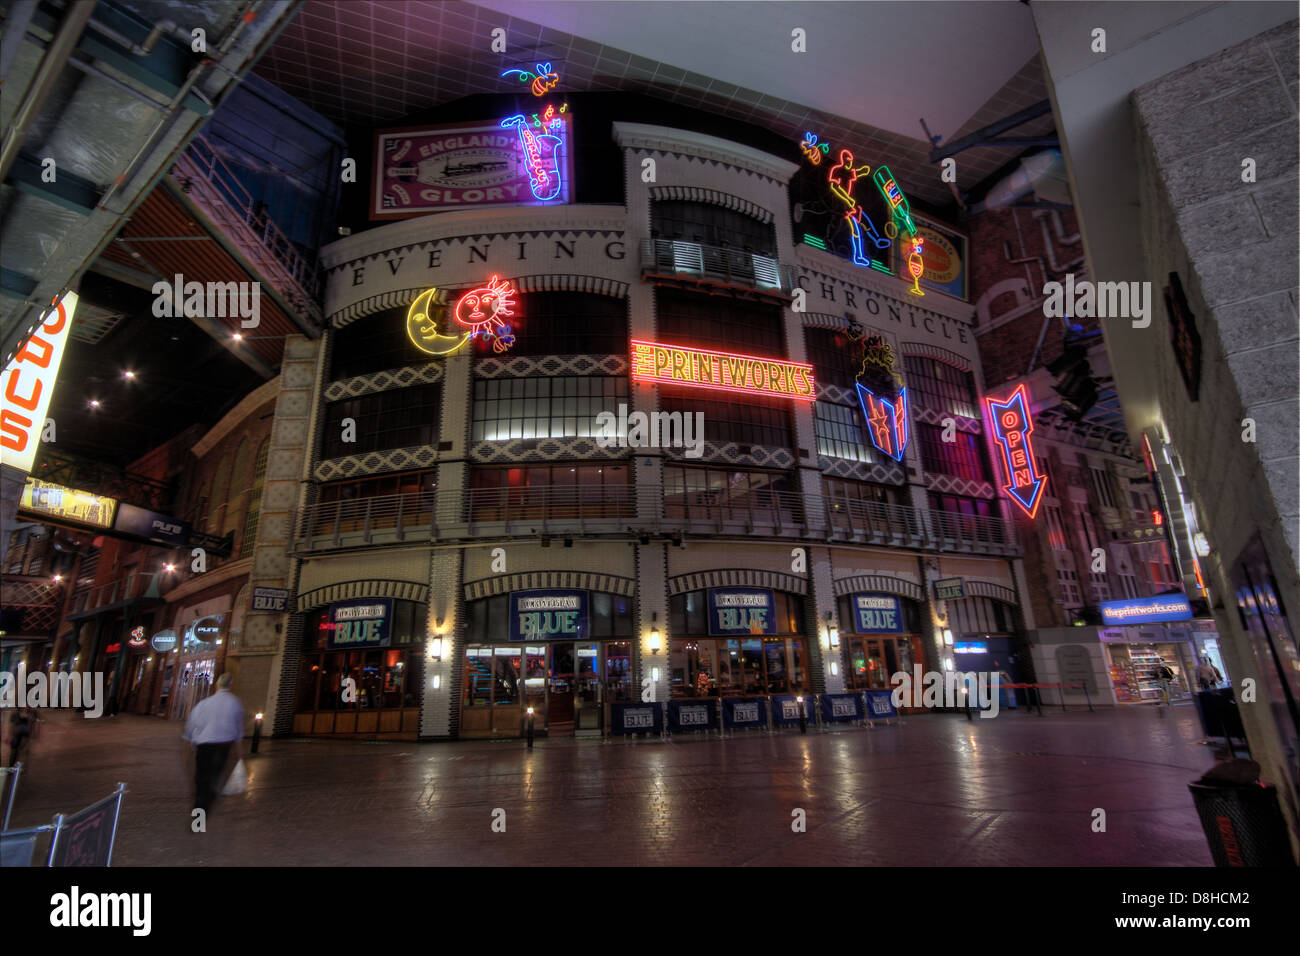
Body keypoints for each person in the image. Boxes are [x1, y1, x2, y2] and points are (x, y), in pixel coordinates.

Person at [182, 672, 244, 815]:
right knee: (214, 776)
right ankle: (206, 800)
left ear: (216, 685)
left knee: (202, 778)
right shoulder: (235, 703)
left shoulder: (204, 704)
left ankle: (200, 810)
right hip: (223, 746)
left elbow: (191, 728)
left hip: (204, 746)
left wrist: (189, 747)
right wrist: (240, 755)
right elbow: (238, 731)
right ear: (231, 686)